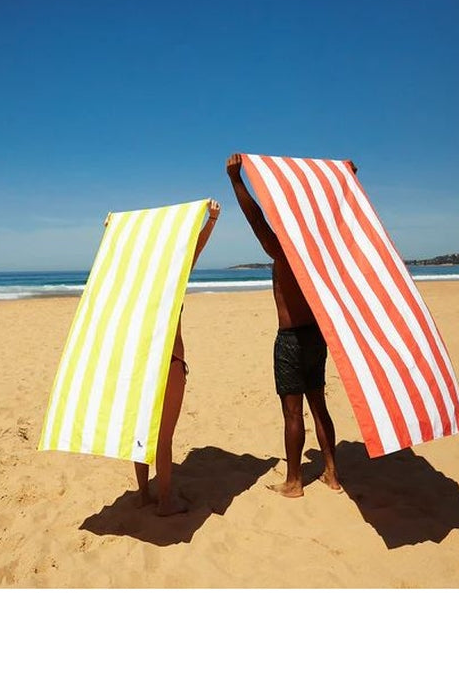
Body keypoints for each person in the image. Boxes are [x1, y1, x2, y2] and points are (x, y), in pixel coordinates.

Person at [226, 154, 343, 498]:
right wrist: (344, 182)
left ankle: (294, 482)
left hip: (291, 340)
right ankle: (332, 474)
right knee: (319, 405)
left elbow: (255, 218)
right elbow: (334, 218)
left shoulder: (283, 251)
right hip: (316, 336)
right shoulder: (318, 250)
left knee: (293, 413)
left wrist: (236, 180)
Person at [133, 199, 221, 516]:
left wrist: (113, 233)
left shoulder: (133, 282)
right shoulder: (171, 279)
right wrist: (210, 220)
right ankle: (166, 500)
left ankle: (144, 492)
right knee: (164, 435)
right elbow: (194, 251)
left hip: (140, 363)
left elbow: (115, 262)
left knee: (141, 431)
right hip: (169, 362)